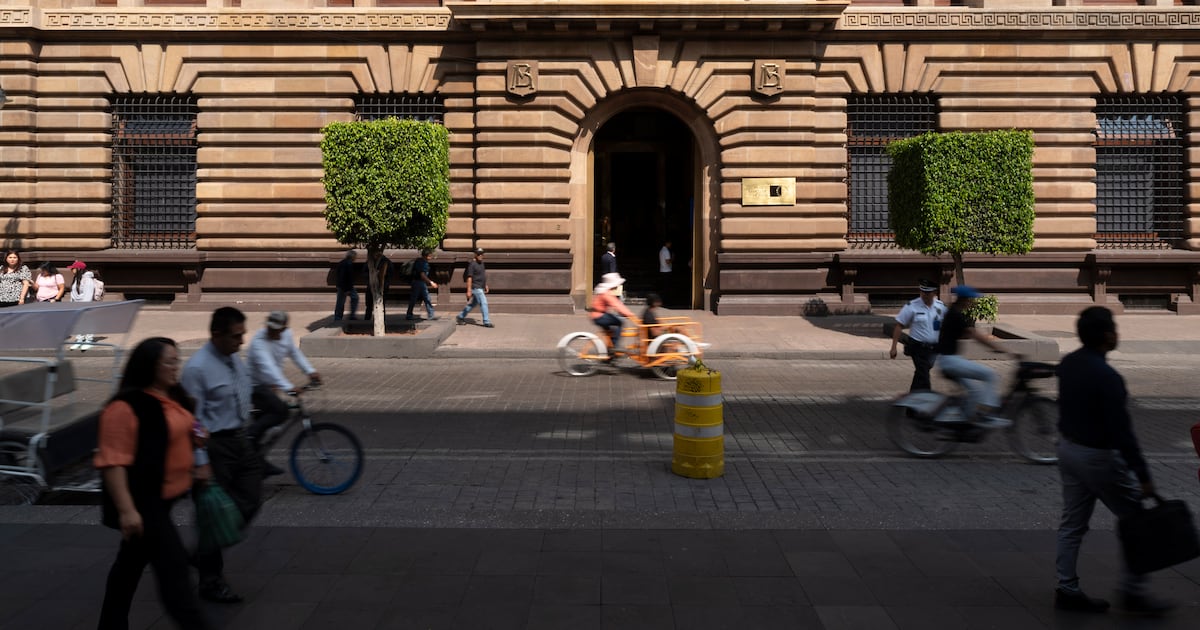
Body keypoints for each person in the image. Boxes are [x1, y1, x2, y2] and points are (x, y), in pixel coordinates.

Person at [1053, 306, 1173, 615]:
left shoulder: (1068, 364)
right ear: (1108, 336)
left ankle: (1067, 588)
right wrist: (1143, 475)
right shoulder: (1108, 377)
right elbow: (1123, 434)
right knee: (1135, 520)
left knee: (1072, 524)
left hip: (1068, 449)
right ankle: (1134, 592)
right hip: (1098, 457)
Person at [95, 337, 211, 630]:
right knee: (175, 574)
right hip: (144, 502)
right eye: (169, 361)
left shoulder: (172, 395)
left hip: (164, 497)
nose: (176, 366)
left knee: (129, 566)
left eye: (176, 360)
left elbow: (186, 425)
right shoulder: (125, 407)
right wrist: (127, 511)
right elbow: (113, 461)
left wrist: (197, 443)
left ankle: (111, 625)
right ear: (150, 366)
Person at [181, 307, 258, 604]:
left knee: (250, 499)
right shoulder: (197, 369)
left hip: (241, 440)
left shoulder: (232, 359)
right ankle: (211, 580)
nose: (241, 341)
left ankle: (201, 553)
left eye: (242, 334)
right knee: (213, 514)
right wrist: (201, 463)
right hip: (215, 447)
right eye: (236, 336)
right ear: (216, 335)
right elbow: (193, 420)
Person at [246, 311, 322, 476]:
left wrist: (310, 371)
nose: (272, 332)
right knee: (280, 411)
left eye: (277, 329)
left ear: (283, 329)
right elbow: (268, 368)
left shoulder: (286, 335)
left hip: (271, 386)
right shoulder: (259, 342)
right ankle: (249, 438)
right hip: (255, 385)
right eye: (270, 328)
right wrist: (289, 387)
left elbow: (294, 353)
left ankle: (257, 461)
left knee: (268, 423)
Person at [933, 285, 1015, 427]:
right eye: (971, 300)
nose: (972, 302)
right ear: (965, 300)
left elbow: (962, 333)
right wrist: (1000, 349)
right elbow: (975, 336)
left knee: (975, 391)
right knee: (990, 375)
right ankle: (987, 414)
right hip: (951, 361)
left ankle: (964, 421)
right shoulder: (957, 315)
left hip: (947, 359)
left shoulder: (952, 312)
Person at [889, 279, 947, 392]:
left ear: (934, 293)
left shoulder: (941, 307)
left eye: (927, 293)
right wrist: (893, 347)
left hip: (934, 348)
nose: (924, 295)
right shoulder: (912, 306)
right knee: (923, 373)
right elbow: (899, 326)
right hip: (917, 347)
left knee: (921, 373)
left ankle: (912, 400)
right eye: (922, 292)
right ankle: (925, 399)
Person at [589, 272, 636, 355]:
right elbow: (617, 305)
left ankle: (610, 354)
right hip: (599, 316)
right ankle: (615, 346)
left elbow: (616, 305)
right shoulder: (606, 293)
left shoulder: (603, 291)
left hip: (597, 315)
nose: (617, 286)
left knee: (611, 332)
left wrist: (623, 313)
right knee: (619, 322)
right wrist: (629, 314)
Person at [456, 247, 493, 328]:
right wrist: (468, 290)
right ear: (475, 254)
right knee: (484, 302)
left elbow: (482, 275)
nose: (480, 256)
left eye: (482, 254)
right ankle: (486, 321)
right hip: (476, 287)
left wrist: (485, 285)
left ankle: (460, 316)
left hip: (480, 286)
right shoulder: (472, 264)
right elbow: (469, 278)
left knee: (472, 304)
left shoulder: (482, 263)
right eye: (479, 254)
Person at [68, 260, 97, 351]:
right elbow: (73, 293)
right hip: (77, 305)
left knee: (87, 322)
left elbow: (88, 295)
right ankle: (79, 339)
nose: (71, 270)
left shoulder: (88, 280)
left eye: (73, 268)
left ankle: (89, 340)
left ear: (78, 269)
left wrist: (84, 306)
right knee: (78, 323)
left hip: (85, 306)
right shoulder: (76, 279)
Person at [406, 248, 439, 321]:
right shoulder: (423, 263)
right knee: (425, 298)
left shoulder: (419, 261)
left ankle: (410, 314)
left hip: (417, 282)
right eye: (430, 256)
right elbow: (422, 275)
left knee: (417, 299)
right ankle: (430, 314)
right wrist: (431, 282)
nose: (431, 257)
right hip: (419, 283)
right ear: (426, 256)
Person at [364, 250, 393, 321]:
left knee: (379, 304)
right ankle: (370, 318)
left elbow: (388, 274)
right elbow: (364, 272)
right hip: (372, 285)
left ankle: (378, 319)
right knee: (370, 304)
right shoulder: (371, 261)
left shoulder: (385, 262)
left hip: (380, 285)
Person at [333, 249, 359, 321]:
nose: (356, 258)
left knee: (343, 301)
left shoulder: (343, 262)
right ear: (352, 256)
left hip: (344, 286)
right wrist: (346, 289)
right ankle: (339, 317)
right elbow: (344, 276)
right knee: (341, 302)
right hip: (345, 286)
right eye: (355, 256)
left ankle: (340, 317)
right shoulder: (348, 264)